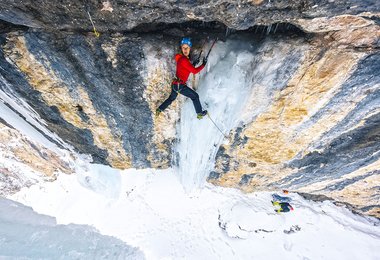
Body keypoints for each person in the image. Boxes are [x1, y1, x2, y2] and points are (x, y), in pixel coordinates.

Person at [156, 37, 208, 119]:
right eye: (183, 48)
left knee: (171, 98)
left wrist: (193, 64)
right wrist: (203, 65)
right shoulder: (184, 59)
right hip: (180, 85)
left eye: (187, 48)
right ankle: (199, 113)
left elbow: (186, 69)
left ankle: (159, 109)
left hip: (175, 85)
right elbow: (194, 71)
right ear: (181, 48)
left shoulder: (181, 59)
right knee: (195, 96)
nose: (185, 50)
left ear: (190, 48)